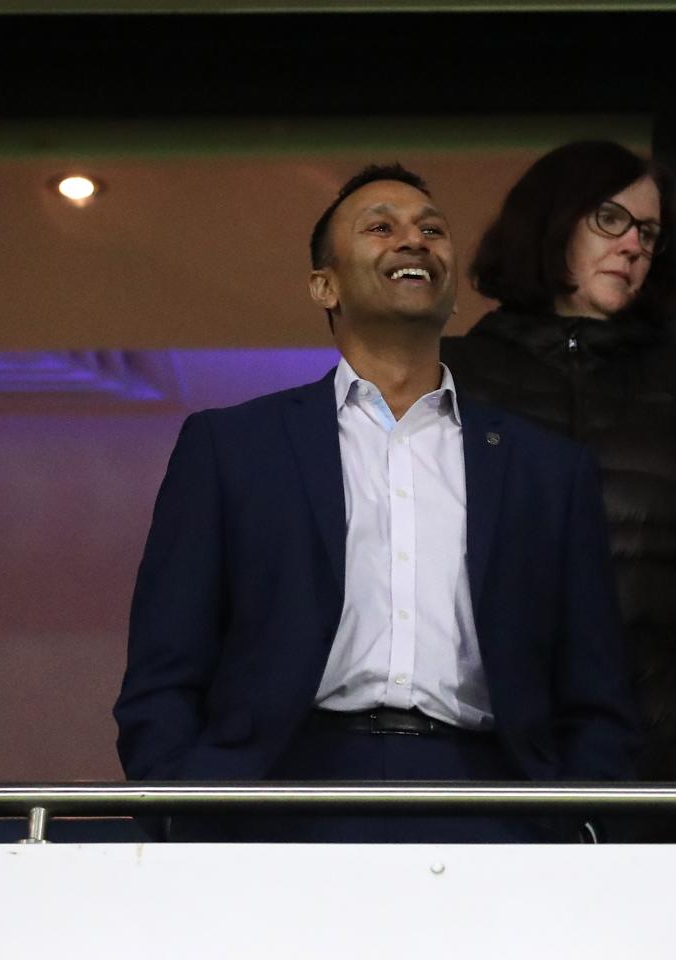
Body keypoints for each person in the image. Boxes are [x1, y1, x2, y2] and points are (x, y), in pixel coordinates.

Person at [114, 164, 638, 842]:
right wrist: (183, 816)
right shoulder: (231, 447)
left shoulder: (547, 468)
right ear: (323, 285)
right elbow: (165, 669)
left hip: (493, 800)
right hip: (276, 796)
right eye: (380, 228)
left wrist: (579, 824)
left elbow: (597, 694)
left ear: (452, 291)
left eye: (433, 230)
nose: (414, 241)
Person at [441, 141, 676, 795]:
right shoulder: (455, 372)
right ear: (552, 220)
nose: (634, 247)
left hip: (646, 744)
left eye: (649, 233)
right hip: (472, 733)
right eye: (610, 219)